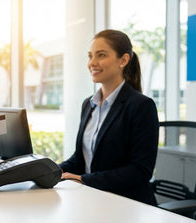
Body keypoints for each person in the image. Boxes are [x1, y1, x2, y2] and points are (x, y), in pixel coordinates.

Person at [59, 29, 159, 205]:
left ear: (124, 60)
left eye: (101, 55)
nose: (92, 63)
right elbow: (81, 158)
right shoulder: (88, 104)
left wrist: (85, 180)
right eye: (90, 56)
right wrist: (48, 171)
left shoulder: (141, 106)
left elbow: (140, 171)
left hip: (127, 204)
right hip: (91, 198)